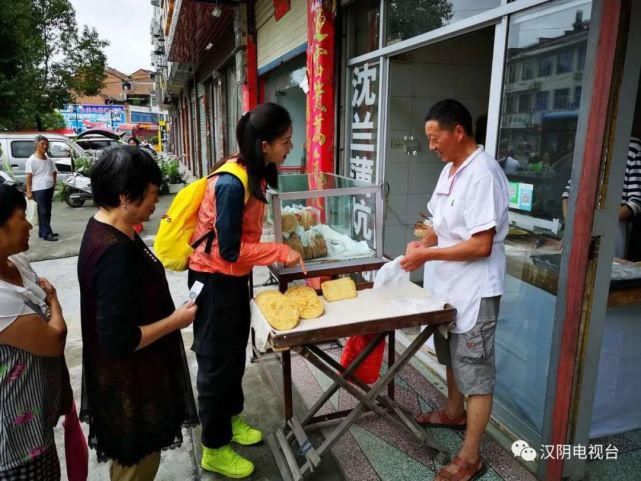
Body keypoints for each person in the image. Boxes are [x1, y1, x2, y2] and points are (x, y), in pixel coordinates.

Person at [188, 102, 305, 478]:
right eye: (285, 141)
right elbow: (230, 248)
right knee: (215, 363)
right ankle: (214, 447)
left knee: (236, 351)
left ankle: (230, 418)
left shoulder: (256, 173)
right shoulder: (229, 183)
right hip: (214, 281)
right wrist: (279, 250)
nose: (291, 147)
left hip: (235, 278)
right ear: (264, 144)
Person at [400, 99, 509, 481]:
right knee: (449, 356)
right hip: (447, 289)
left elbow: (482, 245)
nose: (431, 145)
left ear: (458, 131)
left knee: (475, 373)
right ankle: (452, 412)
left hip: (475, 291)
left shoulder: (483, 174)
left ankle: (471, 456)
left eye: (435, 137)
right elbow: (437, 221)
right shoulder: (450, 170)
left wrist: (428, 255)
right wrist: (423, 243)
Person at [77, 146, 198, 480]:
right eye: (152, 194)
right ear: (125, 196)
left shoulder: (111, 227)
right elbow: (119, 339)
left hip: (138, 375)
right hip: (130, 383)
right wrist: (177, 321)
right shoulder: (112, 253)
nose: (156, 203)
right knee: (136, 468)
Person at [0, 183, 71, 480]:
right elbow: (54, 339)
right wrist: (53, 300)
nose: (30, 224)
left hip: (38, 416)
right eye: (21, 217)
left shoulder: (17, 262)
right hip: (14, 436)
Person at [562, 136, 641, 259]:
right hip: (579, 225)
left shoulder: (633, 147)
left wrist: (595, 224)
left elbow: (635, 202)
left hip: (612, 227)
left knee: (604, 273)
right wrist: (570, 226)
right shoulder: (588, 144)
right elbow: (568, 194)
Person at [26, 135, 58, 241]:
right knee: (43, 211)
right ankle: (47, 233)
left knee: (47, 211)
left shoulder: (48, 159)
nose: (45, 146)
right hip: (39, 189)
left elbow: (54, 171)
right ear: (36, 145)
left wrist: (53, 183)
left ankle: (43, 232)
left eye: (46, 144)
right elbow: (29, 176)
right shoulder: (32, 160)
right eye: (42, 144)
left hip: (49, 188)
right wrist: (29, 191)